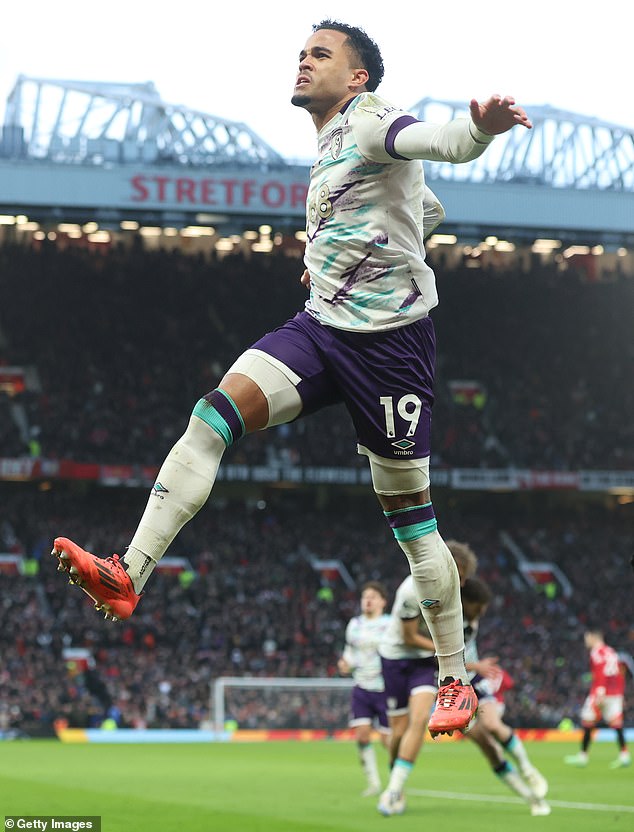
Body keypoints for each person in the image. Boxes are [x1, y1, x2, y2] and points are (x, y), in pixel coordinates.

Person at [52, 19, 532, 738]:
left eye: (320, 54)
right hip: (319, 329)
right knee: (211, 416)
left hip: (390, 350)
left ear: (358, 76)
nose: (303, 63)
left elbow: (440, 144)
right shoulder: (329, 144)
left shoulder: (372, 122)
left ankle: (457, 678)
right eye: (302, 52)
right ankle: (129, 574)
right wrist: (351, 245)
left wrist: (480, 129)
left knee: (413, 526)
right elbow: (421, 206)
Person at [375, 539, 478, 815]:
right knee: (397, 731)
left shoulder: (456, 596)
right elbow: (409, 637)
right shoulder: (411, 590)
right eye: (461, 575)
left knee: (419, 720)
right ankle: (395, 780)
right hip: (396, 657)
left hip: (422, 664)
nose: (463, 583)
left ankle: (393, 790)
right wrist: (444, 649)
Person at [460, 577, 551, 816]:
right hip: (452, 690)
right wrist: (474, 665)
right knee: (488, 748)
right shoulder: (442, 621)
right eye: (478, 608)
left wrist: (475, 667)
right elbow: (432, 659)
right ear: (465, 602)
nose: (480, 613)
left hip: (475, 680)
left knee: (491, 723)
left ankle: (528, 769)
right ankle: (531, 798)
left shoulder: (470, 619)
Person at [337, 581, 391, 796]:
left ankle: (396, 783)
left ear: (383, 602)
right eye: (364, 596)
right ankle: (374, 783)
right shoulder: (354, 624)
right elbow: (349, 652)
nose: (367, 600)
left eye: (372, 597)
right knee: (362, 736)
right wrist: (345, 664)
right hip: (361, 686)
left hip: (385, 687)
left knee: (388, 741)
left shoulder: (390, 624)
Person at [565, 628, 631, 769]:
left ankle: (583, 756)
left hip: (600, 692)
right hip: (615, 693)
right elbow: (620, 673)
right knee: (617, 725)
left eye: (587, 638)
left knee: (587, 721)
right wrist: (620, 692)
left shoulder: (596, 653)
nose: (586, 641)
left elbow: (600, 673)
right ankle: (624, 755)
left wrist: (600, 692)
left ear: (593, 637)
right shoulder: (612, 652)